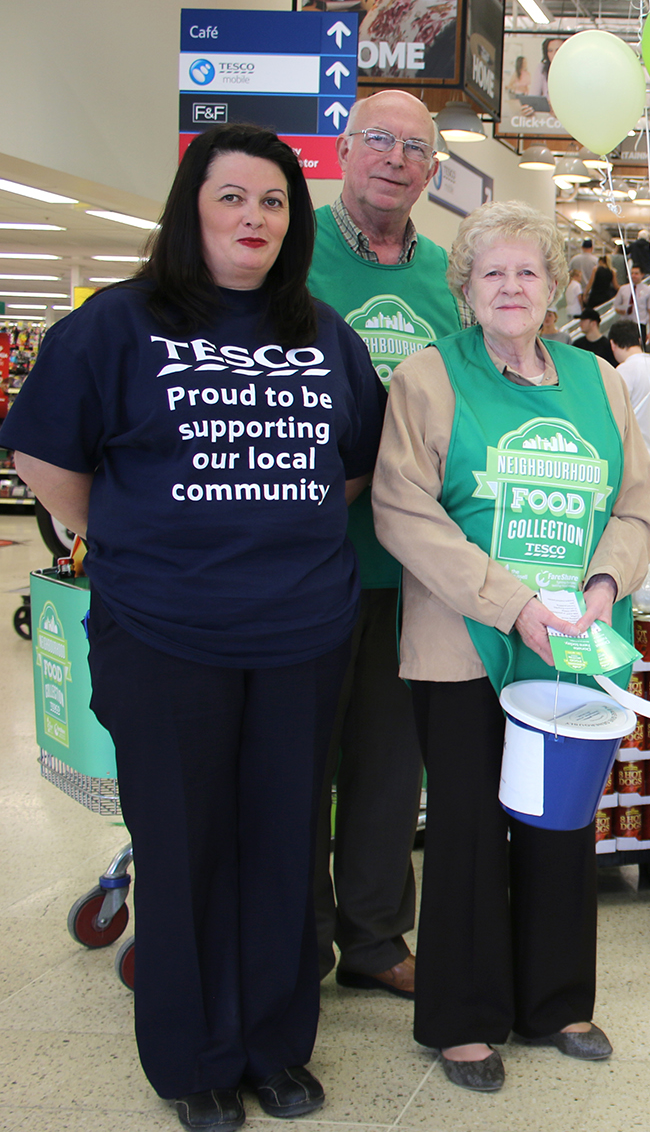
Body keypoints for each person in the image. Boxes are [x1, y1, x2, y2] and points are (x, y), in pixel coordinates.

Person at [0, 123, 385, 1131]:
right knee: (183, 847)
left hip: (302, 638)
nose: (254, 218)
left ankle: (273, 1047)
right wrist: (130, 539)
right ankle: (194, 1058)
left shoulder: (324, 333)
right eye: (232, 197)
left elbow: (350, 466)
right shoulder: (116, 327)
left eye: (273, 202)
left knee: (283, 846)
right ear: (191, 209)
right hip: (166, 636)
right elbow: (43, 459)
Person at [371, 200, 650, 1092]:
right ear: (465, 287)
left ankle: (557, 1001)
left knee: (559, 821)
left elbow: (636, 506)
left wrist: (605, 585)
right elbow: (402, 511)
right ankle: (462, 1019)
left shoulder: (598, 381)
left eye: (528, 272)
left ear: (555, 287)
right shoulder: (429, 377)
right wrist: (512, 603)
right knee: (464, 822)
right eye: (491, 271)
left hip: (570, 645)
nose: (510, 286)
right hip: (464, 643)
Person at [307, 88, 464, 1004]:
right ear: (342, 150)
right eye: (379, 139)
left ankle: (373, 936)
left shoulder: (451, 275)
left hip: (410, 569)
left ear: (433, 171)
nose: (397, 159)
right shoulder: (297, 258)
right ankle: (299, 938)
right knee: (298, 760)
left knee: (385, 764)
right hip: (303, 561)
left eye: (415, 147)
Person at [610, 320, 650, 468]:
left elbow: (613, 414)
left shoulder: (624, 370)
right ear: (639, 340)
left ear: (613, 344)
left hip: (626, 458)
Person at [612, 262, 650, 342]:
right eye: (632, 273)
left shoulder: (649, 291)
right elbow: (616, 306)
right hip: (625, 323)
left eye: (636, 273)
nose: (633, 276)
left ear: (642, 275)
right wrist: (620, 310)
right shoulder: (623, 289)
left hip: (640, 324)